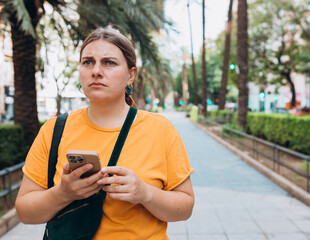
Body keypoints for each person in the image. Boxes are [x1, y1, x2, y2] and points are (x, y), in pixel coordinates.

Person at [15, 26, 194, 239]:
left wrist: (145, 193)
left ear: (131, 75)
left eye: (110, 63)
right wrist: (63, 193)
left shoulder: (160, 129)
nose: (96, 71)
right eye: (88, 62)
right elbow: (25, 212)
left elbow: (185, 208)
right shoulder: (53, 130)